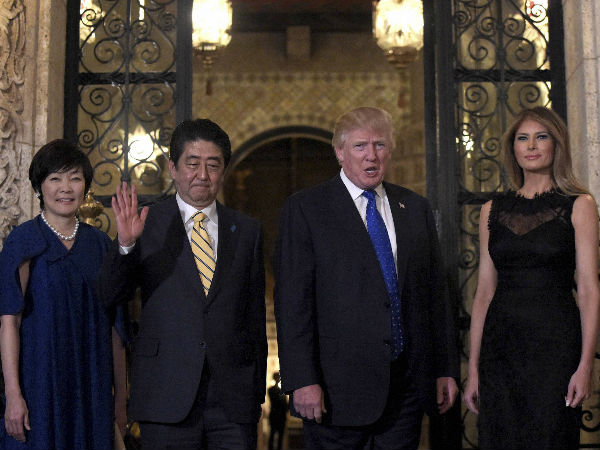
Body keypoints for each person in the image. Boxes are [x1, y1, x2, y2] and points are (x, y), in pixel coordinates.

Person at [273, 106, 459, 450]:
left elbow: (435, 295)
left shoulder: (414, 208)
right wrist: (302, 380)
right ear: (340, 152)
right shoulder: (306, 209)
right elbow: (292, 303)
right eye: (360, 146)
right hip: (334, 395)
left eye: (380, 145)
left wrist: (444, 368)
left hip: (405, 392)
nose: (371, 156)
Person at [98, 118, 267, 450]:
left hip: (232, 403)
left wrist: (254, 391)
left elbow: (254, 315)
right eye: (192, 163)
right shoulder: (146, 223)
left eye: (212, 165)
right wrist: (126, 246)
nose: (202, 174)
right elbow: (108, 295)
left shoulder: (247, 231)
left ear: (223, 171)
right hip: (165, 393)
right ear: (173, 169)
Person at [463, 106, 600, 450]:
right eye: (523, 138)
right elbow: (484, 292)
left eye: (541, 137)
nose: (532, 145)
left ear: (557, 145)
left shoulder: (579, 205)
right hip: (501, 348)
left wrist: (586, 366)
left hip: (555, 348)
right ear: (513, 148)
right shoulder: (491, 210)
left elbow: (587, 289)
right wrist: (474, 369)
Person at [0, 139, 127, 449]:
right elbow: (9, 324)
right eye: (55, 178)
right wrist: (13, 395)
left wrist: (122, 399)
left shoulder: (100, 244)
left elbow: (116, 328)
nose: (66, 188)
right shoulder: (24, 241)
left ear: (85, 185)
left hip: (91, 383)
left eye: (74, 177)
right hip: (38, 382)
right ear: (40, 187)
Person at [267, 371, 287, 450]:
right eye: (278, 377)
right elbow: (277, 401)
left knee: (280, 436)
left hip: (281, 416)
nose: (279, 378)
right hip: (275, 416)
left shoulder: (280, 390)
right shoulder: (271, 390)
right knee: (272, 435)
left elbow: (285, 405)